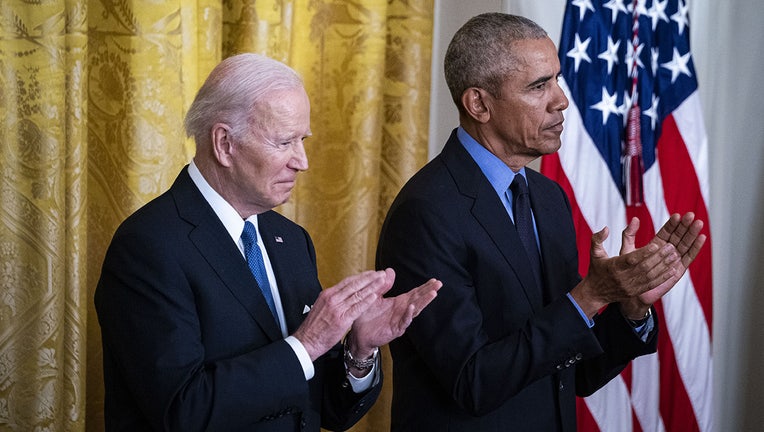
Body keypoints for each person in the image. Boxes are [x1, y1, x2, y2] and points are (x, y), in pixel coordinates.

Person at [375, 13, 706, 431]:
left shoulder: (548, 199)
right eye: (538, 86)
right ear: (479, 104)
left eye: (557, 79)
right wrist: (589, 297)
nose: (561, 100)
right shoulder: (425, 213)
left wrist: (630, 309)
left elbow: (573, 373)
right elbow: (473, 381)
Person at [94, 53, 441, 432]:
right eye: (284, 142)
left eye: (302, 139)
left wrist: (358, 350)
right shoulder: (147, 246)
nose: (302, 161)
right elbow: (183, 410)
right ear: (225, 144)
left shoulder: (291, 241)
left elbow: (324, 409)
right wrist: (305, 345)